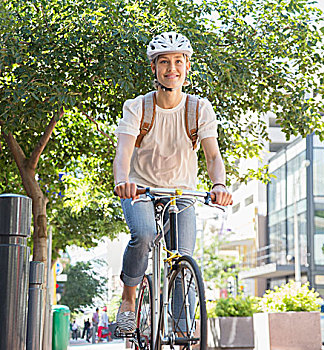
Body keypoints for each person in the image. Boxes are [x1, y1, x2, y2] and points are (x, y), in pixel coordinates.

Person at [113, 31, 232, 333]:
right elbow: (124, 152)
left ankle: (181, 332)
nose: (171, 68)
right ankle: (128, 299)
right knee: (143, 234)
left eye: (178, 61)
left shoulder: (199, 108)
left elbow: (213, 156)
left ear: (187, 67)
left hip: (182, 194)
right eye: (164, 62)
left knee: (182, 262)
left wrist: (218, 185)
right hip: (141, 190)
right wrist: (122, 181)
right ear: (154, 68)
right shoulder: (138, 106)